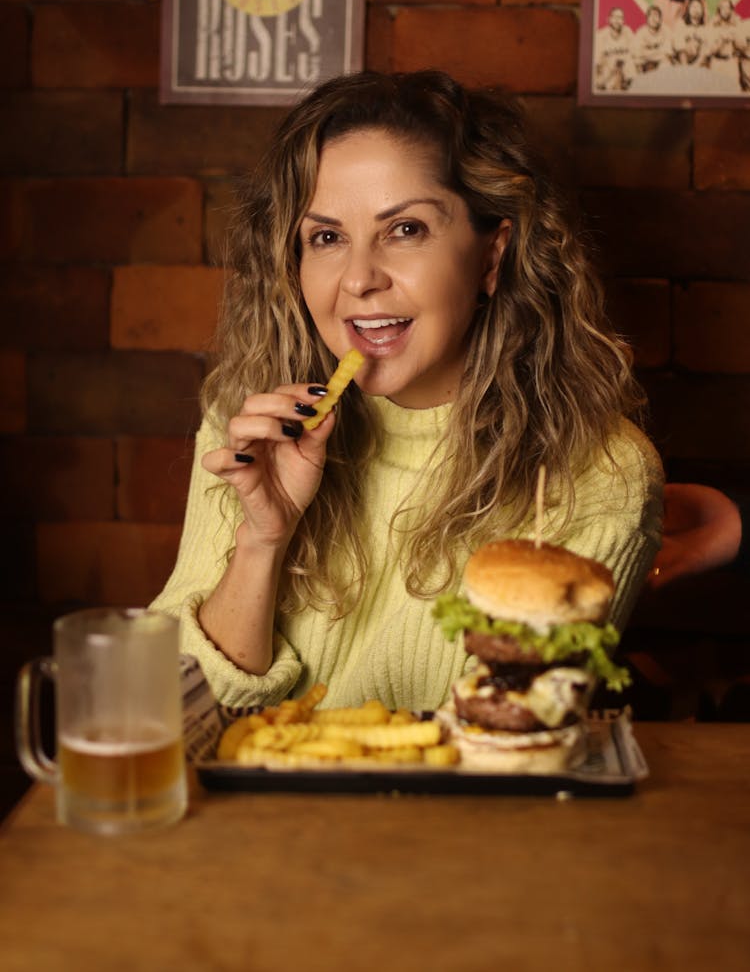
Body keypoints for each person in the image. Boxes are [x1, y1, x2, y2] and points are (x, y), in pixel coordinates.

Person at [151, 69, 664, 711]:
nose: (360, 278)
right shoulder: (250, 424)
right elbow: (172, 707)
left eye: (406, 230)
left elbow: (516, 736)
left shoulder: (600, 473)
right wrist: (261, 540)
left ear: (491, 255)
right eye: (328, 237)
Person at [594, 6, 634, 91]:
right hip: (608, 73)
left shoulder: (628, 32)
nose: (617, 20)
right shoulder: (600, 36)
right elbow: (596, 65)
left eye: (620, 18)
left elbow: (634, 55)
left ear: (623, 21)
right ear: (608, 19)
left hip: (624, 73)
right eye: (614, 17)